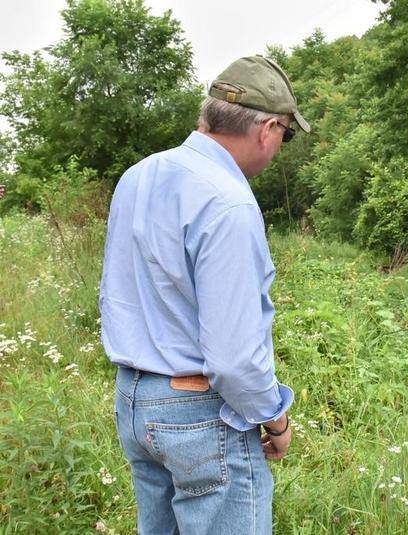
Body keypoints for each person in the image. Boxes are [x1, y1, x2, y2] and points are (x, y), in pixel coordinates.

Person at [100, 56, 310, 534]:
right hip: (199, 413)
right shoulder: (228, 202)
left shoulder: (139, 176)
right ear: (268, 128)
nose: (280, 146)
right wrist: (275, 421)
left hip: (135, 401)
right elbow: (234, 358)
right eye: (286, 135)